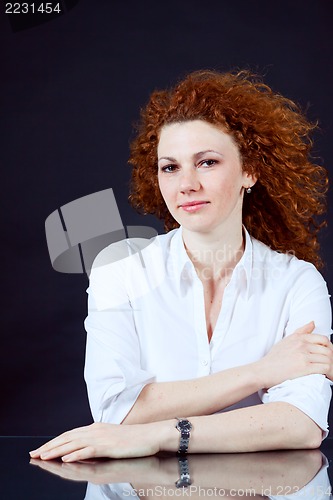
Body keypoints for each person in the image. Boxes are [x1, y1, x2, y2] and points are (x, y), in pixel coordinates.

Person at [30, 70, 333, 462]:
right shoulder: (119, 272)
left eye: (207, 162)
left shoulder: (297, 282)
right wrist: (262, 372)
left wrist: (157, 434)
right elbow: (116, 410)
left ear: (249, 171)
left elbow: (302, 423)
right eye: (170, 167)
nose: (186, 184)